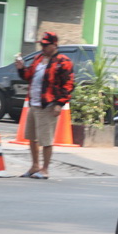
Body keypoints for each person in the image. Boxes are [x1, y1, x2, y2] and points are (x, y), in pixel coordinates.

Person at [15, 31, 74, 179]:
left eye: (46, 45)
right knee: (32, 136)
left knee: (46, 139)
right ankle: (35, 165)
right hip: (34, 103)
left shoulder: (63, 61)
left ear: (54, 45)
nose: (43, 47)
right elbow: (28, 76)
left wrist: (59, 103)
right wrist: (21, 68)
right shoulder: (38, 58)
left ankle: (45, 169)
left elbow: (68, 85)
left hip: (48, 105)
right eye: (42, 45)